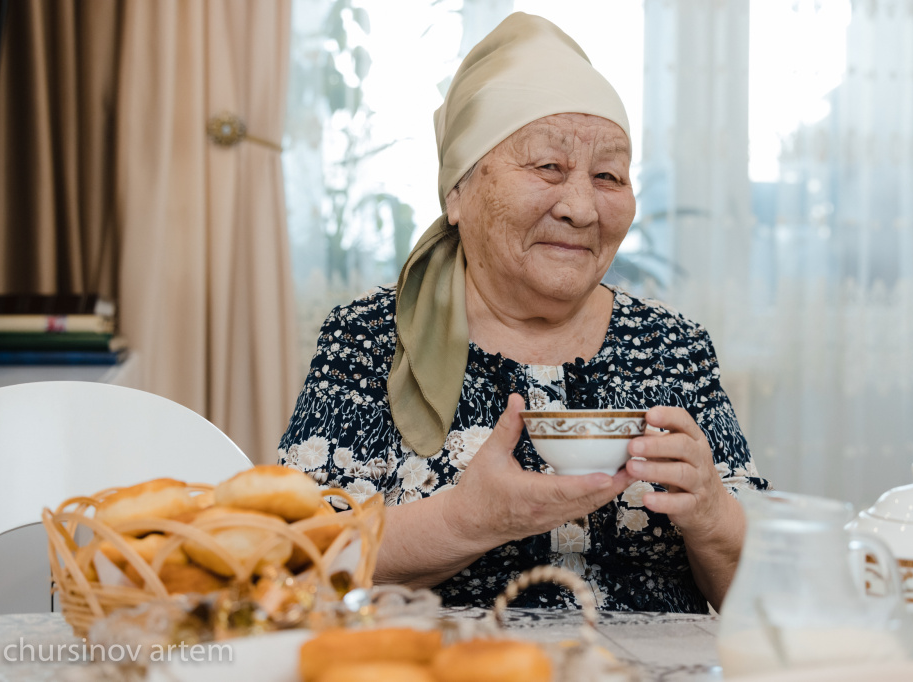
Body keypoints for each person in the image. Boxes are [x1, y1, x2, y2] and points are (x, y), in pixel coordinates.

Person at [279, 12, 770, 613]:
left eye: (609, 175)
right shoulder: (372, 338)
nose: (583, 208)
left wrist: (715, 516)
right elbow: (295, 563)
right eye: (548, 168)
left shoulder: (671, 345)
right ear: (457, 191)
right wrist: (467, 521)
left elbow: (768, 600)